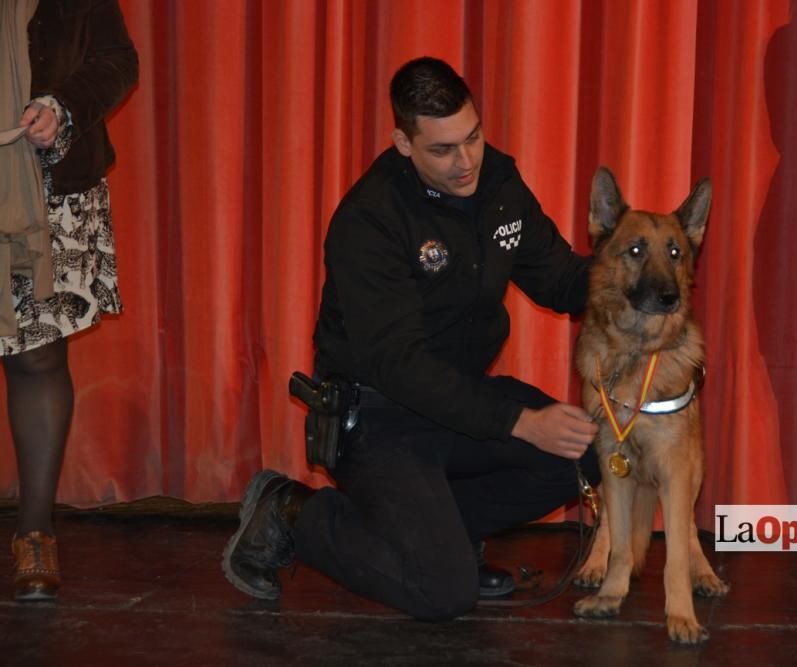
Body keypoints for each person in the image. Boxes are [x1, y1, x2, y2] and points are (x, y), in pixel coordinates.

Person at [223, 57, 601, 620]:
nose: (466, 161)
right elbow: (401, 367)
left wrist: (633, 272)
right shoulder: (370, 218)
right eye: (443, 150)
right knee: (443, 592)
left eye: (472, 138)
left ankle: (440, 534)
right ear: (403, 142)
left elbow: (561, 279)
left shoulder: (499, 182)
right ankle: (289, 512)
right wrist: (522, 422)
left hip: (458, 400)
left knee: (585, 455)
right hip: (380, 415)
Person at [0, 0, 138, 601]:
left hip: (48, 189)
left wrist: (62, 107)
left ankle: (35, 530)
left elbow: (117, 59)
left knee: (36, 359)